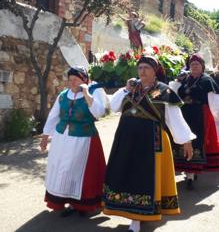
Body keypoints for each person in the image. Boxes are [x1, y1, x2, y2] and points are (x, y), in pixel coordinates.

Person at [103, 56, 195, 232]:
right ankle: (132, 214)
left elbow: (174, 118)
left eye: (146, 68)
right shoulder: (131, 89)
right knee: (125, 175)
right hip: (125, 142)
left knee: (143, 179)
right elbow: (113, 107)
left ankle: (136, 221)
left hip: (150, 143)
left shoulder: (163, 91)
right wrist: (124, 89)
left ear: (155, 71)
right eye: (140, 68)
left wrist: (186, 141)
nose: (142, 71)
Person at [40, 66, 107, 215]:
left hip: (83, 139)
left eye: (75, 80)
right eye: (70, 80)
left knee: (78, 171)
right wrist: (45, 137)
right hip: (61, 139)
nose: (72, 83)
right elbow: (53, 116)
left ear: (84, 80)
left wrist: (86, 92)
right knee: (61, 169)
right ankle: (64, 201)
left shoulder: (94, 93)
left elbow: (99, 112)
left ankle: (82, 204)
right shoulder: (63, 95)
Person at [171, 54, 219, 190]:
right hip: (184, 114)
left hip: (200, 115)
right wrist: (177, 81)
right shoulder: (185, 79)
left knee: (197, 142)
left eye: (197, 64)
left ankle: (191, 174)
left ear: (202, 66)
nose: (194, 67)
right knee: (183, 140)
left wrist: (215, 116)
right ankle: (189, 171)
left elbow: (214, 101)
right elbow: (173, 93)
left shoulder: (207, 80)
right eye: (192, 65)